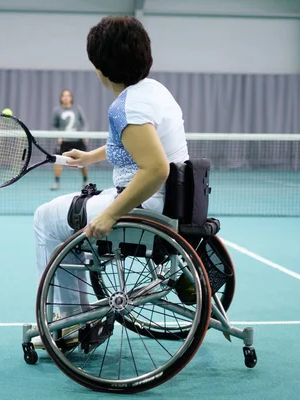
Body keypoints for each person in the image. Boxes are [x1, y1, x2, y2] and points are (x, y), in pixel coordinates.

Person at [32, 16, 189, 347]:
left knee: (45, 220)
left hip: (141, 207)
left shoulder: (124, 107)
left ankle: (70, 320)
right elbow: (137, 145)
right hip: (168, 204)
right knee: (65, 220)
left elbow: (155, 167)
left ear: (104, 68)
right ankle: (73, 314)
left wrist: (111, 214)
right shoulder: (154, 91)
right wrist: (91, 157)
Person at [51, 89, 89, 190]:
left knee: (84, 160)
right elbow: (54, 126)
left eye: (68, 96)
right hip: (64, 141)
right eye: (64, 96)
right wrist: (58, 135)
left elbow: (84, 123)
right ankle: (56, 182)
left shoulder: (77, 109)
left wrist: (85, 134)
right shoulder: (57, 111)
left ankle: (85, 181)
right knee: (58, 160)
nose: (66, 98)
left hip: (77, 140)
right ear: (61, 98)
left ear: (71, 98)